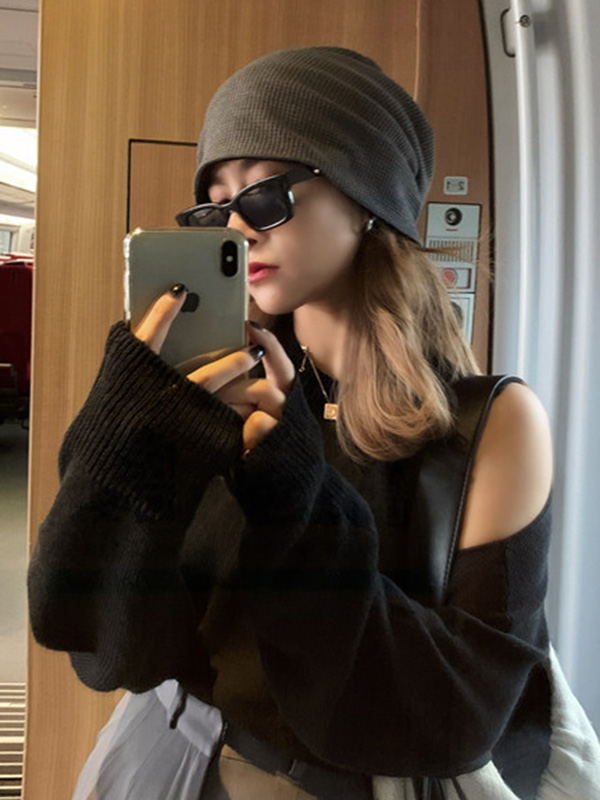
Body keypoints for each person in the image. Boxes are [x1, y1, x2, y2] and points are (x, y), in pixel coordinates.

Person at [28, 47, 553, 800]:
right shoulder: (215, 393)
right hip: (166, 757)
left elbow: (460, 717)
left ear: (367, 195)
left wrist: (294, 492)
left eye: (265, 193)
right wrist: (126, 435)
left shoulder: (491, 424)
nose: (237, 227)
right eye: (215, 206)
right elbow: (108, 647)